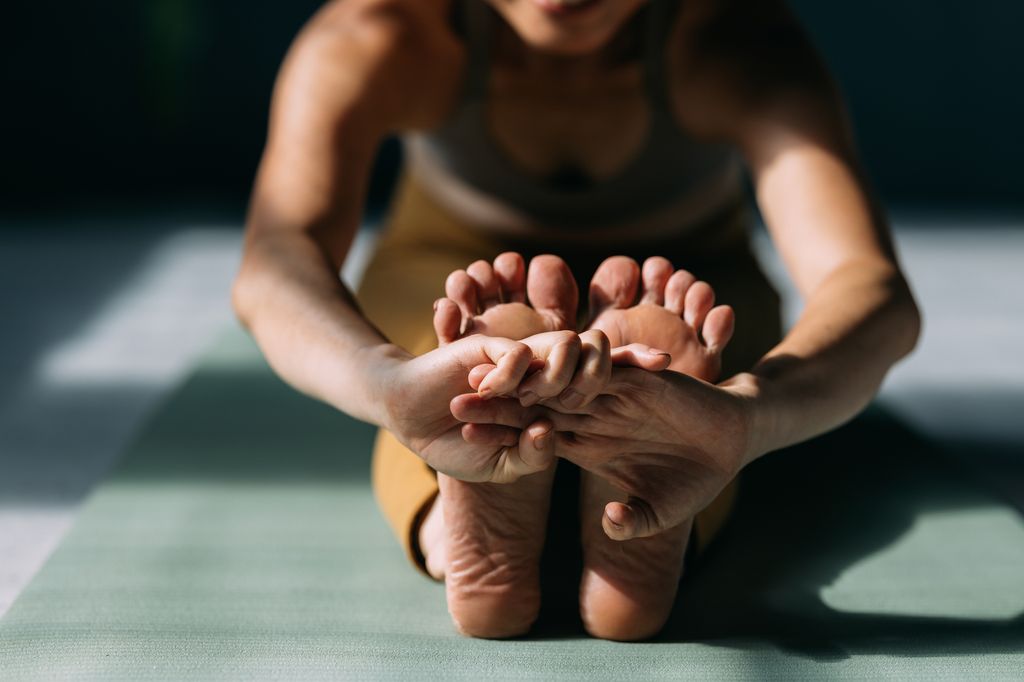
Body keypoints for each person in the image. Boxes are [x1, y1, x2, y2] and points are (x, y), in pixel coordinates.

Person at [231, 0, 921, 641]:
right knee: (440, 357)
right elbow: (276, 263)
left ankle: (476, 497)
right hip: (457, 263)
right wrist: (384, 382)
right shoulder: (379, 31)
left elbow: (869, 289)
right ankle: (626, 520)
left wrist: (747, 414)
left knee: (694, 386)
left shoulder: (731, 42)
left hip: (688, 279)